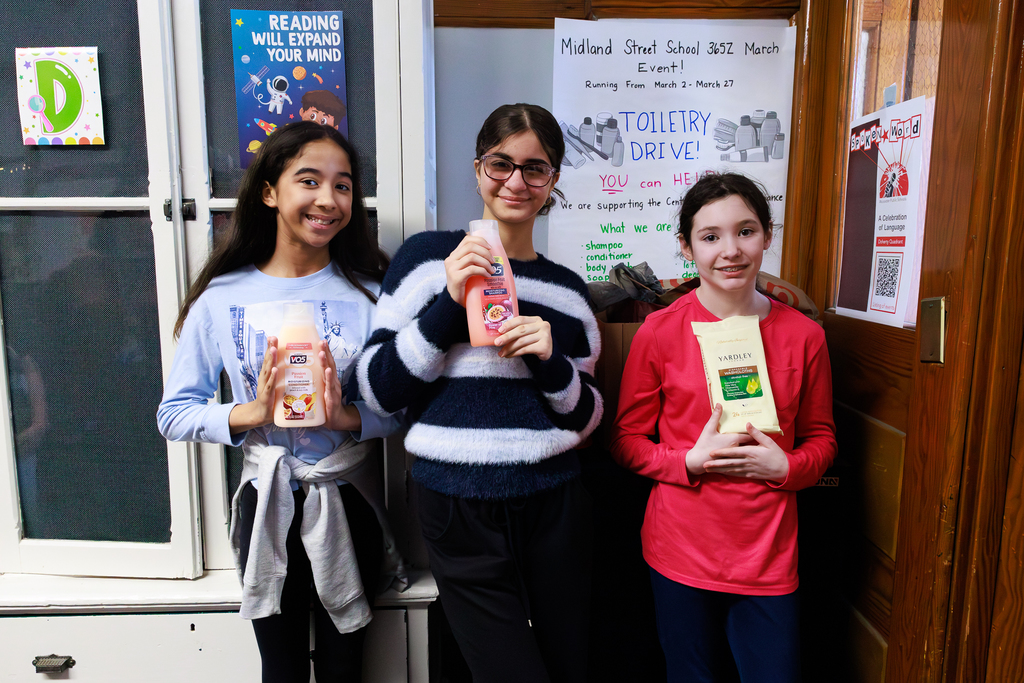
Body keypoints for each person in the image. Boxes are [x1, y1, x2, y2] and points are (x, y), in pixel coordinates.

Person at [355, 103, 603, 683]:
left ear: (553, 181)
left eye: (535, 169)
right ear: (477, 170)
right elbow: (376, 390)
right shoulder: (424, 260)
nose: (517, 182)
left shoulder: (568, 292)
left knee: (571, 666)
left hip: (555, 501)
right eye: (501, 164)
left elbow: (589, 417)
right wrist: (448, 301)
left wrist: (550, 361)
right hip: (454, 500)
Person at [157, 121, 405, 683]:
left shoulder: (371, 293)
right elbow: (174, 412)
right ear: (269, 192)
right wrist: (251, 412)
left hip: (348, 499)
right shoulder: (223, 298)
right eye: (309, 181)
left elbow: (405, 407)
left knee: (347, 669)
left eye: (343, 186)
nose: (328, 199)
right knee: (282, 669)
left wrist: (350, 416)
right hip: (264, 503)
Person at [610, 172, 837, 683]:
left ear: (767, 235)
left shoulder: (805, 337)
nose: (730, 250)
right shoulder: (660, 332)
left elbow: (823, 439)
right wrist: (687, 460)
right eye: (710, 237)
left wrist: (790, 467)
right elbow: (625, 442)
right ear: (687, 247)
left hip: (769, 558)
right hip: (679, 554)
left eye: (746, 231)